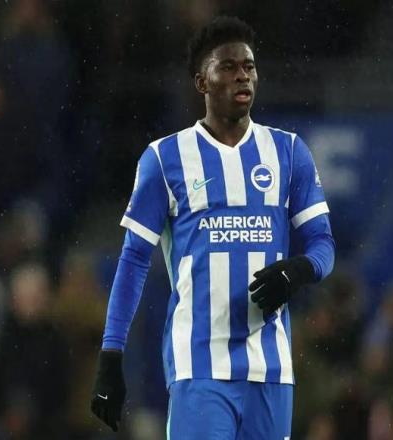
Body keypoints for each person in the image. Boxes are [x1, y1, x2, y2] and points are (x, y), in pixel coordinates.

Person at [91, 16, 335, 439]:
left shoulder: (288, 151)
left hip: (271, 369)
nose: (243, 75)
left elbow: (322, 243)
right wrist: (111, 355)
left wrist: (299, 270)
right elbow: (133, 260)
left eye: (249, 66)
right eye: (228, 66)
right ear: (202, 82)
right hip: (199, 368)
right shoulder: (165, 159)